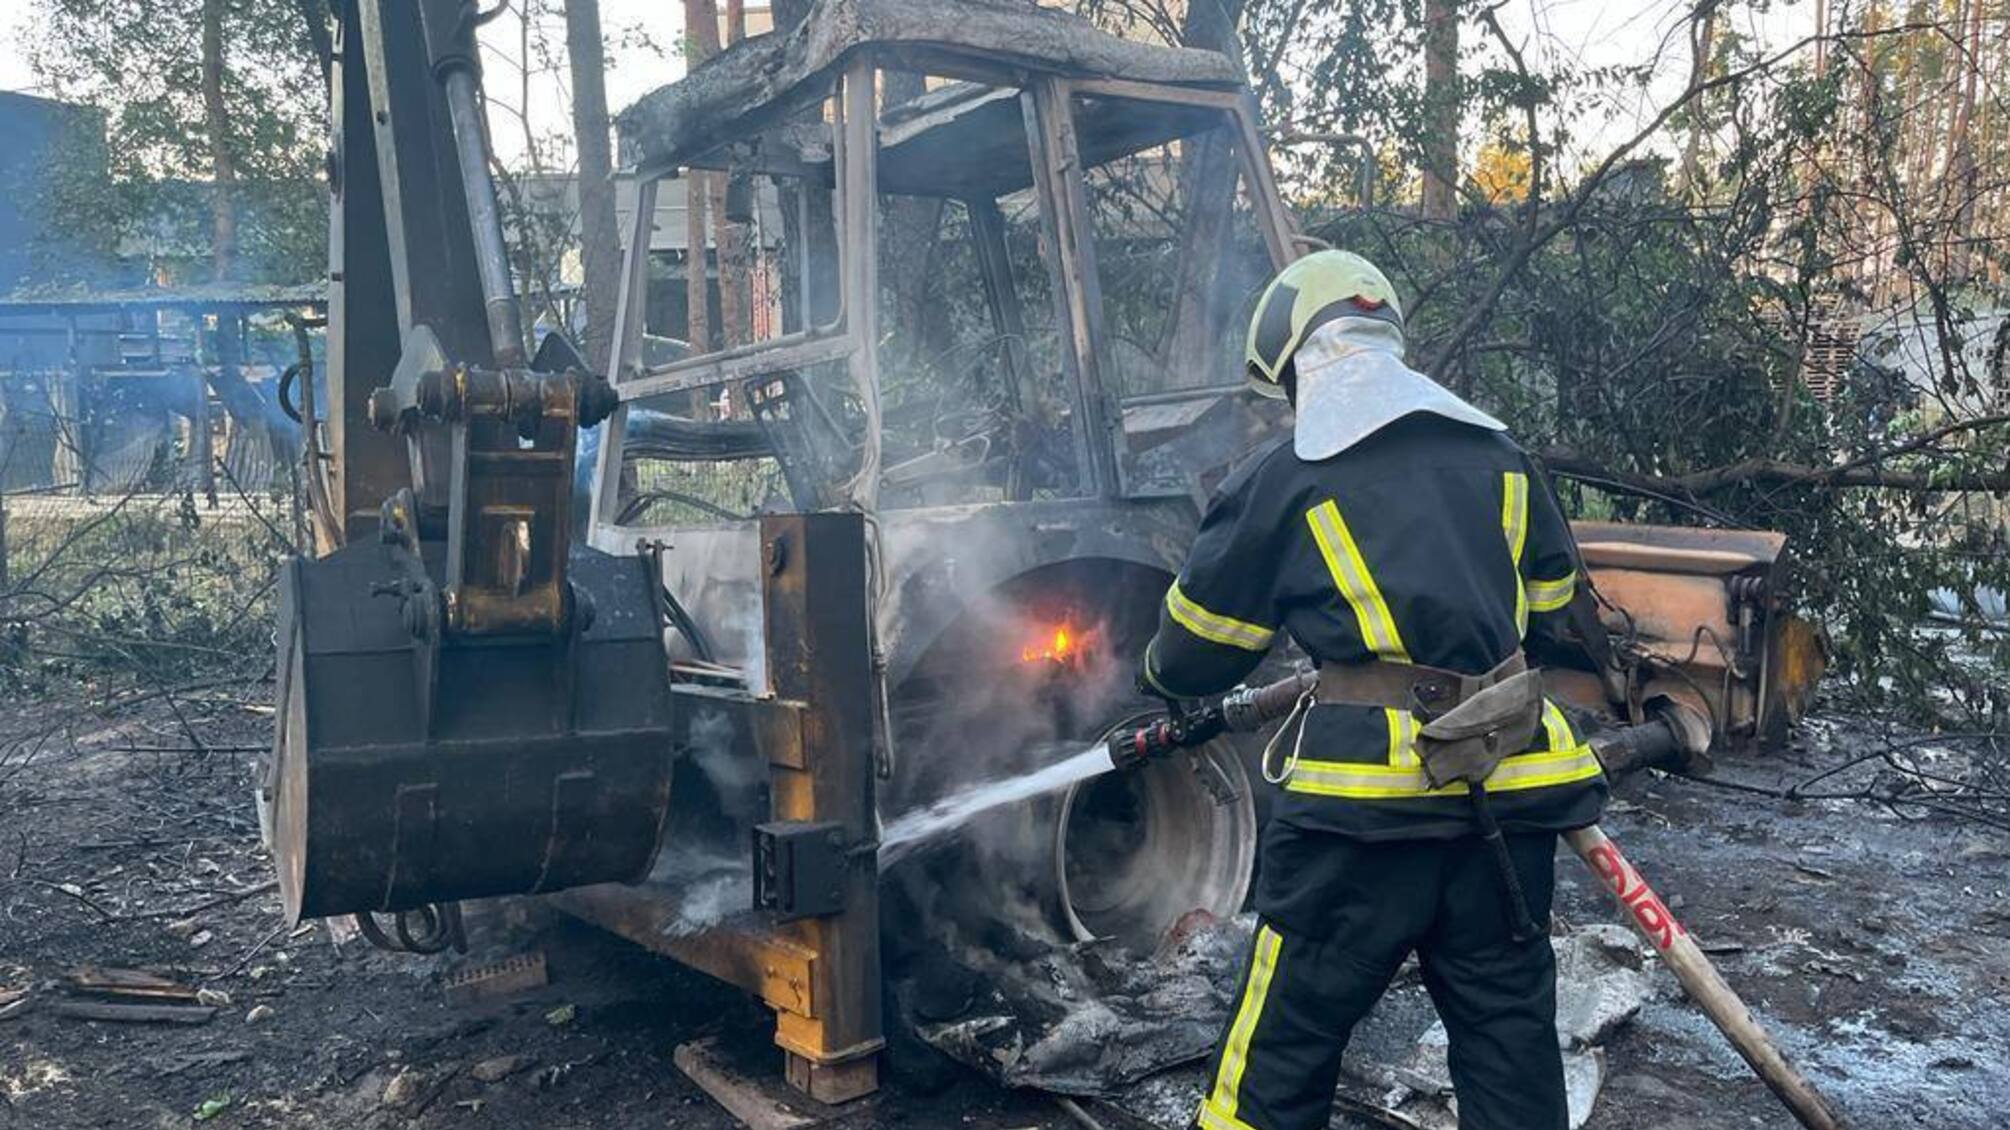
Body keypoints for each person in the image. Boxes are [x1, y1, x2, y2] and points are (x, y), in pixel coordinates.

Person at [1139, 251, 1606, 1130]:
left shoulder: (1285, 476)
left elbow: (1192, 657)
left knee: (1276, 1056)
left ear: (1292, 360)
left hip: (1360, 827)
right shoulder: (1503, 456)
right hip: (1502, 806)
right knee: (1510, 1045)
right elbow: (1553, 612)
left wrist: (1156, 675)